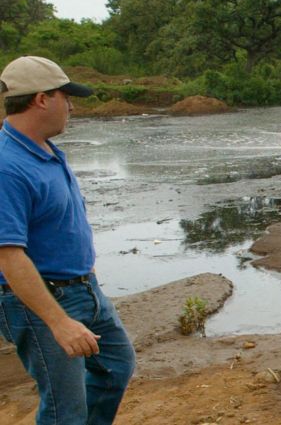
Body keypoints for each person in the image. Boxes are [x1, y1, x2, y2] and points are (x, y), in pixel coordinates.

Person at [0, 56, 135, 425]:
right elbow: (9, 257)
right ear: (41, 99)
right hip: (41, 301)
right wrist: (59, 323)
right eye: (66, 96)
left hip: (84, 289)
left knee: (116, 366)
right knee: (65, 410)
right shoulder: (6, 166)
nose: (72, 106)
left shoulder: (43, 148)